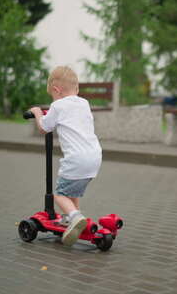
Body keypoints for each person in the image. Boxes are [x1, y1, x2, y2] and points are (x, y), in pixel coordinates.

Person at [30, 66, 102, 247]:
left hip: (76, 159)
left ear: (56, 90)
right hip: (94, 157)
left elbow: (44, 127)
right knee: (73, 190)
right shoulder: (84, 103)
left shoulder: (57, 106)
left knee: (60, 194)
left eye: (52, 95)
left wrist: (38, 113)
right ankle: (74, 219)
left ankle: (76, 217)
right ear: (76, 89)